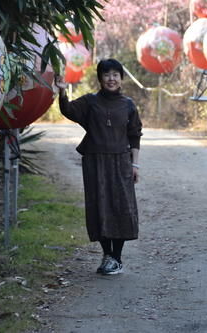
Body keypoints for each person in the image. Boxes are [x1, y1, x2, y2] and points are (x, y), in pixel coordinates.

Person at [55, 58, 142, 275]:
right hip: (95, 162)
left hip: (121, 162)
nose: (111, 79)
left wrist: (135, 165)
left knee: (121, 207)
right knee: (99, 207)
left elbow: (134, 136)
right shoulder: (90, 102)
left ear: (121, 79)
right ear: (100, 78)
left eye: (115, 74)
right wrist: (63, 92)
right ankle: (107, 255)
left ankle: (117, 259)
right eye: (106, 74)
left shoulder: (129, 105)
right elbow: (68, 110)